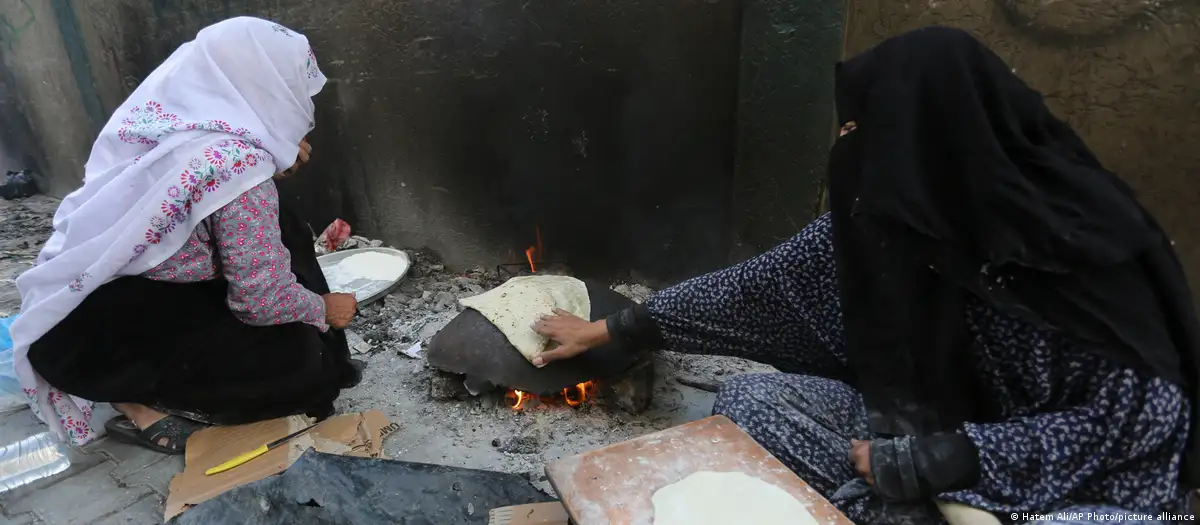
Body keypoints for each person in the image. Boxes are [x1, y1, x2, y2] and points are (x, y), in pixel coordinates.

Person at [534, 27, 1200, 524]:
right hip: (927, 437)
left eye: (864, 127)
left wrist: (952, 459)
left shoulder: (1079, 248)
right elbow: (757, 290)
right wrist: (619, 329)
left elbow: (1144, 417)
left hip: (1074, 484)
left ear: (929, 137)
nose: (849, 146)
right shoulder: (891, 221)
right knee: (754, 406)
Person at [9, 17, 361, 454]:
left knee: (282, 223)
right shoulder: (240, 168)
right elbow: (259, 301)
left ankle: (148, 383)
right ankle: (141, 405)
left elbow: (211, 191)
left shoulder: (170, 125)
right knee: (306, 369)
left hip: (64, 321)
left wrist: (267, 164)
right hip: (92, 347)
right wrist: (322, 308)